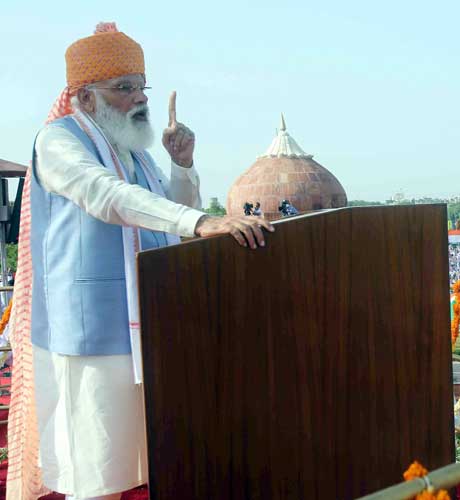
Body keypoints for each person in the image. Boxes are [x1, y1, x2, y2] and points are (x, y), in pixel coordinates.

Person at [6, 23, 274, 500]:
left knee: (147, 463)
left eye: (139, 87)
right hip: (91, 336)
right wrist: (199, 221)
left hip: (148, 326)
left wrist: (182, 164)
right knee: (98, 474)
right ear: (85, 99)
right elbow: (105, 196)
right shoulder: (59, 141)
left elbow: (162, 214)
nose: (138, 99)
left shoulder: (135, 154)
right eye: (123, 88)